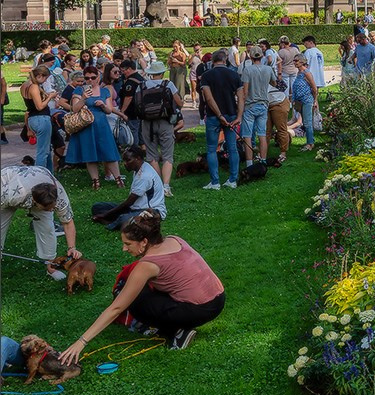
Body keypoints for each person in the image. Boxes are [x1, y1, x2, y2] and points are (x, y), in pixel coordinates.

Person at [59, 212, 225, 359]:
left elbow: (116, 308)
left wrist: (81, 342)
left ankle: (178, 332)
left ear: (144, 241)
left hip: (199, 310)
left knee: (132, 300)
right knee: (138, 289)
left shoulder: (147, 265)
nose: (124, 249)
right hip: (218, 299)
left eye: (128, 244)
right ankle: (177, 325)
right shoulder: (175, 239)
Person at [1, 165, 82, 272]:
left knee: (47, 226)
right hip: (8, 180)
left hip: (40, 176)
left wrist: (72, 248)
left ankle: (51, 266)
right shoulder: (14, 195)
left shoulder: (60, 198)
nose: (51, 210)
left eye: (53, 207)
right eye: (47, 208)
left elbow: (67, 223)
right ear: (35, 202)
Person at [65, 66, 124, 190]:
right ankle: (95, 181)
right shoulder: (79, 90)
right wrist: (83, 99)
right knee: (89, 153)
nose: (90, 80)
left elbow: (109, 110)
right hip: (86, 126)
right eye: (87, 78)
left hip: (101, 124)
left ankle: (118, 179)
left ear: (98, 77)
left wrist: (103, 105)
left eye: (93, 77)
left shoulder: (104, 91)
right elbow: (74, 109)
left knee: (109, 152)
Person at [137, 61, 185, 196]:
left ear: (151, 73)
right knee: (167, 155)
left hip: (147, 123)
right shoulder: (168, 84)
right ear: (163, 73)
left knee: (151, 155)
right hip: (165, 122)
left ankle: (157, 185)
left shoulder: (142, 85)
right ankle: (165, 186)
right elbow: (179, 103)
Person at [198, 49, 244, 190]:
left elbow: (209, 99)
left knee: (212, 149)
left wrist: (219, 115)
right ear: (225, 60)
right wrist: (239, 116)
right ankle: (233, 179)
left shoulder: (206, 76)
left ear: (212, 61)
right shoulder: (234, 75)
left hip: (214, 116)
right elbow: (241, 98)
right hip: (231, 114)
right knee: (232, 148)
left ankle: (215, 181)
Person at [92, 145, 167, 230]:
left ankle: (113, 222)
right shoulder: (139, 168)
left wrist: (106, 214)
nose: (125, 164)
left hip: (151, 211)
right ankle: (120, 219)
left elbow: (129, 202)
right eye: (124, 160)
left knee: (123, 219)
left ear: (138, 158)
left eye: (128, 160)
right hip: (134, 209)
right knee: (97, 207)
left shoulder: (145, 176)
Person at [239, 46, 276, 169]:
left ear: (250, 56)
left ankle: (249, 162)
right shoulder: (268, 69)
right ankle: (263, 160)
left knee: (248, 135)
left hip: (250, 104)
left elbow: (245, 91)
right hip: (263, 104)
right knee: (262, 134)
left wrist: (240, 106)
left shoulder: (247, 70)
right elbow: (274, 83)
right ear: (262, 56)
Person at [20, 66, 57, 169]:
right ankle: (38, 175)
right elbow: (39, 106)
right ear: (40, 76)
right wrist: (50, 97)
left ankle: (49, 174)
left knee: (47, 149)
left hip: (32, 119)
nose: (45, 81)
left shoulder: (24, 85)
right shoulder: (34, 87)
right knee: (42, 152)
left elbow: (29, 107)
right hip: (41, 119)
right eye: (45, 78)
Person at [291, 55, 319, 151]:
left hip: (307, 100)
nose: (295, 62)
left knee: (307, 123)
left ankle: (310, 143)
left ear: (302, 62)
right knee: (305, 122)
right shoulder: (299, 73)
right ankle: (309, 141)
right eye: (294, 61)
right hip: (300, 101)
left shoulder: (306, 73)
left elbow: (314, 88)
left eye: (296, 61)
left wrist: (315, 100)